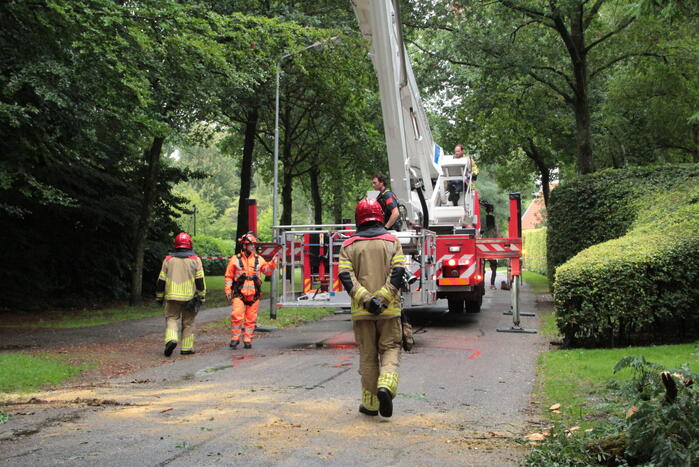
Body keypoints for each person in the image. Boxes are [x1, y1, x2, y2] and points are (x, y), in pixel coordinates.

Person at [338, 198, 406, 418]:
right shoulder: (392, 241)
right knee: (390, 349)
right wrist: (383, 299)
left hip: (362, 311)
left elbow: (346, 277)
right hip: (390, 310)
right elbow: (398, 272)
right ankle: (385, 386)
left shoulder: (348, 245)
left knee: (367, 357)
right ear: (380, 216)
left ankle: (370, 405)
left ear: (359, 218)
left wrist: (367, 300)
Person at [156, 232, 206, 357]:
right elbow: (200, 281)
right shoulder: (195, 260)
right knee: (188, 322)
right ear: (190, 244)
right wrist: (201, 295)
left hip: (172, 296)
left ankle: (171, 340)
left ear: (176, 244)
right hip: (190, 297)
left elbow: (161, 281)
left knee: (172, 318)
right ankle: (186, 348)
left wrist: (159, 296)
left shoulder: (168, 260)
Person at [224, 232, 277, 349]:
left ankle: (247, 339)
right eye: (251, 244)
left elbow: (267, 271)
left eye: (254, 245)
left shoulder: (259, 259)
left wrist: (273, 263)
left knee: (251, 319)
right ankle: (235, 338)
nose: (253, 247)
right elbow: (228, 276)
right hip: (239, 294)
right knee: (237, 315)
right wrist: (228, 291)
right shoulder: (235, 260)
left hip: (254, 295)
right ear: (244, 245)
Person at [482, 204, 499, 289]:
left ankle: (484, 284)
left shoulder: (482, 220)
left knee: (482, 269)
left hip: (484, 250)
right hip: (490, 250)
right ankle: (492, 284)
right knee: (494, 268)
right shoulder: (491, 224)